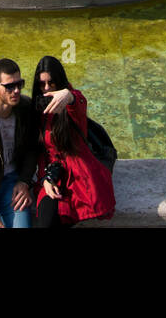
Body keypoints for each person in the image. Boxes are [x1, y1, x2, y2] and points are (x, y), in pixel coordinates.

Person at [0, 58, 65, 228]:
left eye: (19, 84)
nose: (16, 91)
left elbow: (32, 149)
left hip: (12, 184)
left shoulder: (26, 108)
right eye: (9, 86)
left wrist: (24, 181)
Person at [31, 55, 115, 228]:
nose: (46, 88)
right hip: (51, 177)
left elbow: (79, 103)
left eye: (52, 83)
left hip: (77, 179)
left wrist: (69, 95)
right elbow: (40, 154)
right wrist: (44, 180)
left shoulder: (70, 103)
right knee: (46, 220)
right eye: (42, 84)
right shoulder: (37, 108)